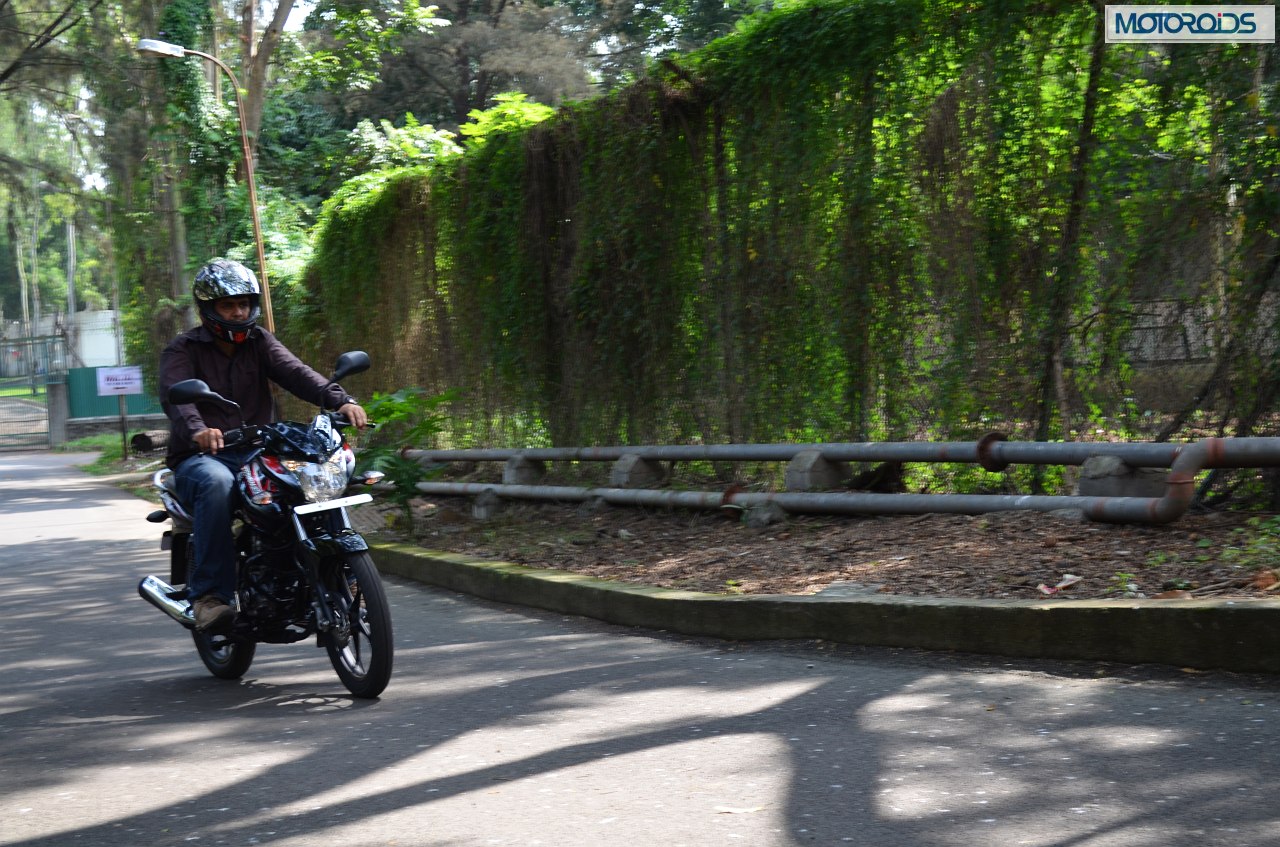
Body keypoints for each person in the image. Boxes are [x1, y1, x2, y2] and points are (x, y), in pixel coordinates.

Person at [159, 258, 368, 632]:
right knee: (217, 485)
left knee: (311, 478)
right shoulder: (183, 349)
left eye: (243, 304)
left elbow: (297, 373)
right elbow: (177, 398)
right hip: (203, 456)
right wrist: (198, 429)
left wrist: (341, 401)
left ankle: (341, 576)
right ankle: (210, 597)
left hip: (257, 449)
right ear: (208, 309)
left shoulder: (259, 341)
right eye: (228, 305)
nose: (238, 313)